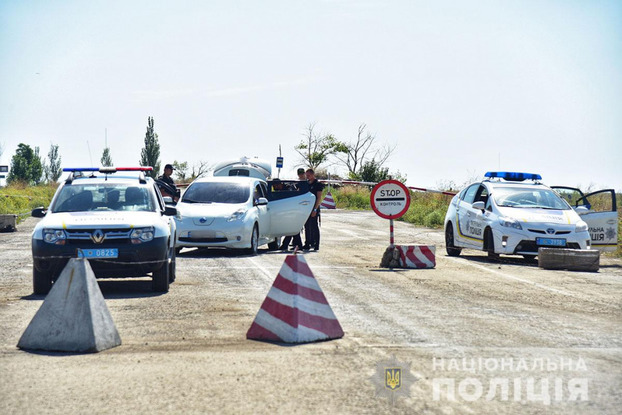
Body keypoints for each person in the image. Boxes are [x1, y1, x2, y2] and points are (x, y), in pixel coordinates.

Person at [279, 168, 307, 251]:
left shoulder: (305, 183)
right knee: (293, 228)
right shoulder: (296, 183)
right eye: (300, 173)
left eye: (302, 173)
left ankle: (287, 245)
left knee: (293, 228)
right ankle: (297, 244)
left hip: (299, 208)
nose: (301, 175)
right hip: (294, 208)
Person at [302, 168, 324, 251]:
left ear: (312, 175)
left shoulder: (318, 184)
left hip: (314, 208)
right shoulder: (306, 184)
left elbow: (319, 198)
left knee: (314, 226)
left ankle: (316, 245)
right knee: (307, 226)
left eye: (309, 175)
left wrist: (315, 209)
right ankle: (307, 243)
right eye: (306, 175)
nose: (307, 177)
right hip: (306, 208)